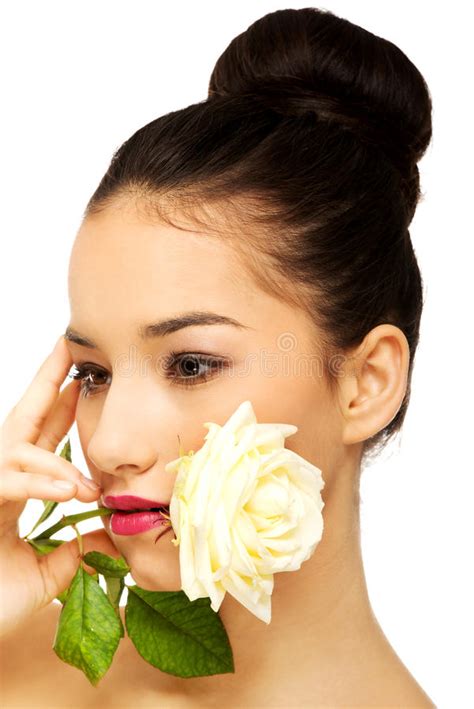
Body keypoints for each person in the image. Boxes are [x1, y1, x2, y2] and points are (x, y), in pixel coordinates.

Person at [0, 7, 436, 707]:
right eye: (94, 373)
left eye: (192, 364)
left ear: (366, 383)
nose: (110, 444)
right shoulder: (18, 663)